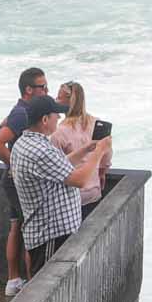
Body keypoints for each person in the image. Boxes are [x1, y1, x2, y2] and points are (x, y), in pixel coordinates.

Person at [6, 97, 108, 276]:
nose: (59, 118)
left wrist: (87, 149)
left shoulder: (25, 143)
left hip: (46, 232)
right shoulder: (40, 150)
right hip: (51, 235)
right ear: (45, 120)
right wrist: (99, 152)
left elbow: (59, 166)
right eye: (56, 115)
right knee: (45, 285)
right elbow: (80, 180)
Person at [0, 66, 51, 295]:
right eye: (43, 87)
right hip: (16, 180)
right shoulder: (22, 113)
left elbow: (4, 127)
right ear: (29, 89)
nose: (47, 91)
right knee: (31, 228)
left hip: (13, 179)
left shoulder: (21, 111)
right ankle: (30, 284)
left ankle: (14, 280)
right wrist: (16, 165)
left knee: (17, 226)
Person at [54, 81, 113, 211]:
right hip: (94, 192)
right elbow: (107, 152)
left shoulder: (59, 132)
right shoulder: (96, 123)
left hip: (72, 199)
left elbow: (55, 167)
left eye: (58, 97)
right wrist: (102, 173)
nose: (55, 100)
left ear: (69, 101)